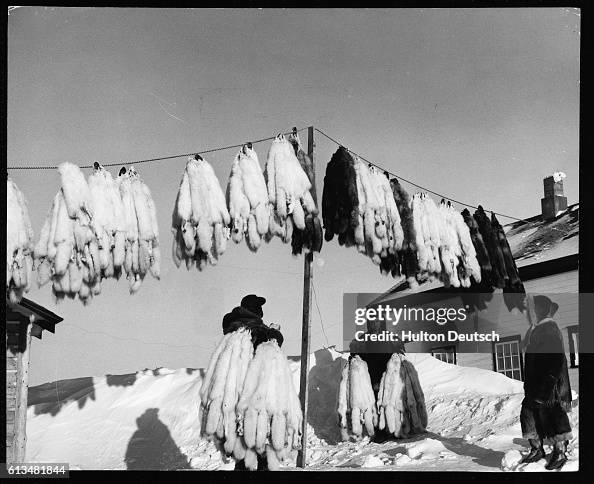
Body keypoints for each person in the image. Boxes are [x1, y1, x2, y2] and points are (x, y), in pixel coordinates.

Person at [221, 294, 283, 471]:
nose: (261, 310)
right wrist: (274, 335)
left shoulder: (234, 329)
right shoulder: (254, 329)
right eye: (259, 306)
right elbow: (263, 356)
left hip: (236, 392)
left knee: (244, 441)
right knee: (258, 441)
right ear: (253, 310)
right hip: (253, 392)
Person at [520, 295, 572, 470]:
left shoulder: (548, 329)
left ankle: (560, 450)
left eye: (532, 310)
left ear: (539, 311)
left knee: (553, 414)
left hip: (549, 385)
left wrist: (546, 386)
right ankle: (537, 448)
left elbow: (555, 361)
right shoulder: (537, 329)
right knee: (528, 413)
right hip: (536, 384)